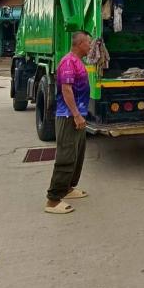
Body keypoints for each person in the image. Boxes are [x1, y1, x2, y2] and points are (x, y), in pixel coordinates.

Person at [45, 31, 93, 214]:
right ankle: (53, 199)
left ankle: (68, 188)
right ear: (79, 43)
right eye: (88, 42)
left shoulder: (78, 61)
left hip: (77, 114)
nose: (90, 46)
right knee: (66, 156)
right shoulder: (68, 62)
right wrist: (76, 115)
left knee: (77, 154)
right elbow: (66, 90)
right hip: (68, 116)